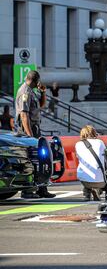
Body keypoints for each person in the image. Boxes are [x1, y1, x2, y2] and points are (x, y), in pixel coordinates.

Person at [15, 70, 55, 198]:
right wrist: (30, 137)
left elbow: (41, 105)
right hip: (27, 129)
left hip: (34, 128)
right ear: (36, 80)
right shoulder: (24, 92)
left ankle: (41, 188)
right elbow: (24, 115)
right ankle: (27, 191)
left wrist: (43, 92)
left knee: (40, 159)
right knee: (29, 159)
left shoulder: (31, 91)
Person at [75, 125, 107, 201]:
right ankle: (98, 191)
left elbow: (78, 157)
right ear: (94, 132)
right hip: (101, 181)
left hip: (85, 181)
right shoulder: (100, 142)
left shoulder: (78, 144)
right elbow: (105, 156)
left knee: (84, 171)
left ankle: (87, 195)